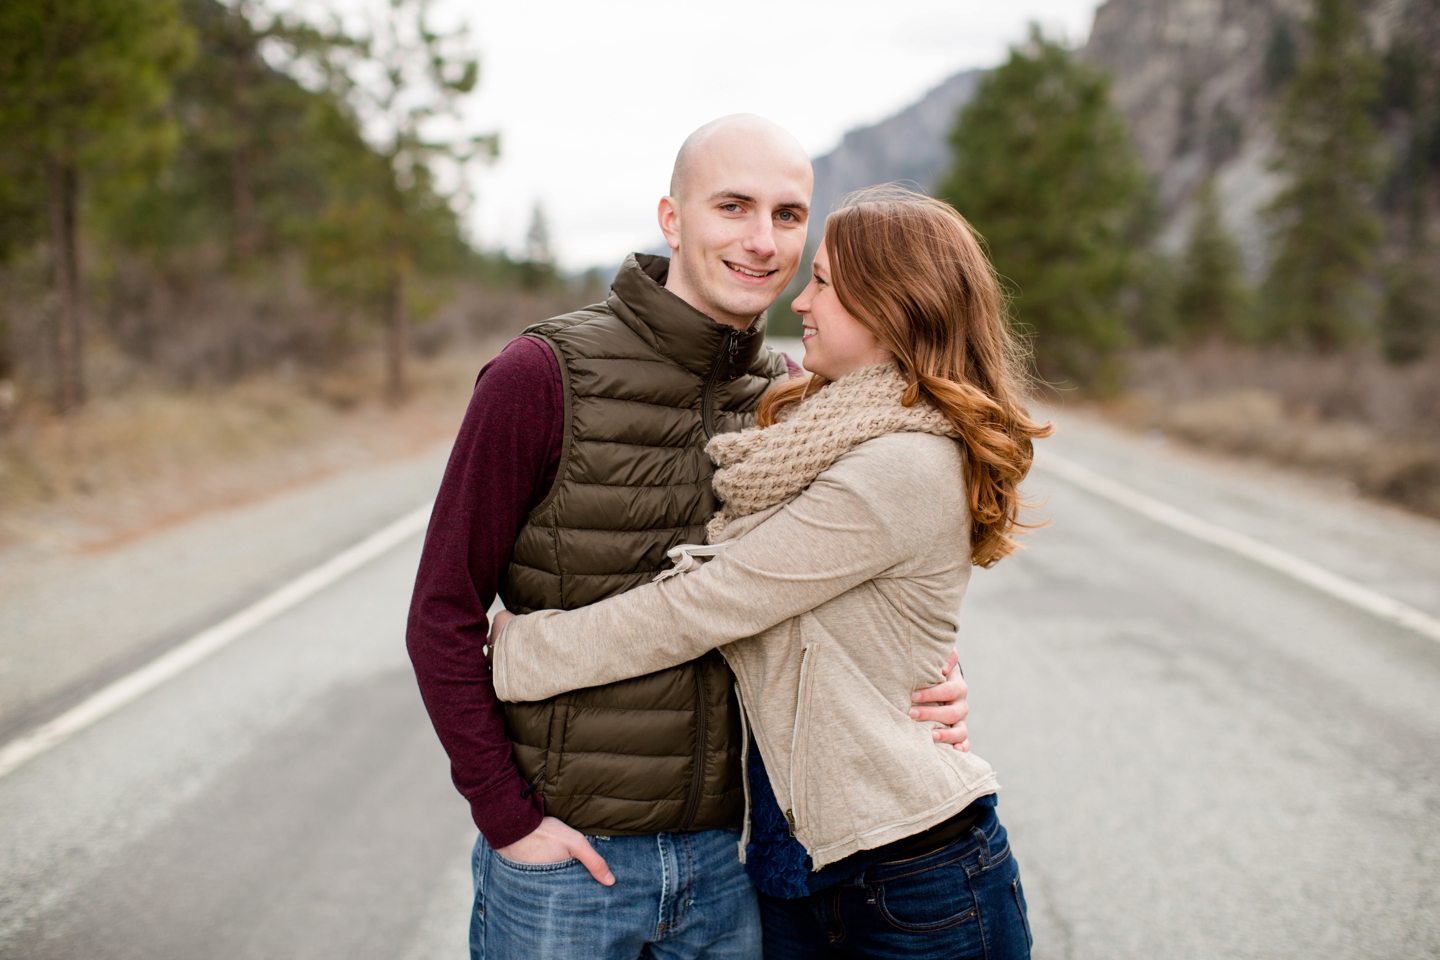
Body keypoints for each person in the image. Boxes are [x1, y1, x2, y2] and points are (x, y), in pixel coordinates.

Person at [406, 118, 972, 960]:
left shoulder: (799, 400)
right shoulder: (541, 376)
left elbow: (856, 579)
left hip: (736, 867)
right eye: (733, 206)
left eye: (787, 215)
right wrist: (508, 820)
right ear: (672, 219)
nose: (761, 240)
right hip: (569, 867)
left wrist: (933, 686)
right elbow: (442, 613)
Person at [488, 185, 1054, 959]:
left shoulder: (902, 461)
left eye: (823, 281)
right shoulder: (813, 427)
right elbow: (856, 621)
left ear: (893, 305)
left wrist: (515, 655)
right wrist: (928, 676)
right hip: (795, 871)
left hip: (909, 880)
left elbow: (711, 602)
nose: (803, 297)